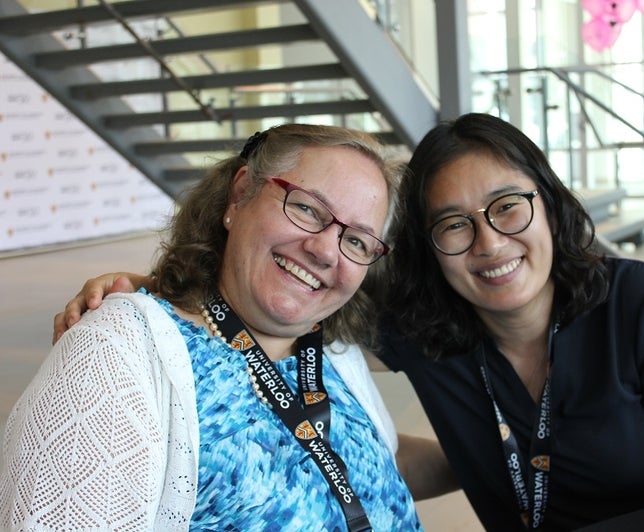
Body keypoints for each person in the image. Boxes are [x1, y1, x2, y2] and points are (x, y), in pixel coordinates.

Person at [50, 113, 644, 531]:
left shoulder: (632, 300)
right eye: (453, 224)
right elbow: (292, 294)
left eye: (508, 206)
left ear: (548, 202)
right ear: (428, 246)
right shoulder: (424, 323)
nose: (489, 243)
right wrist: (157, 293)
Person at [0, 123, 431, 531]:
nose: (324, 250)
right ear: (240, 194)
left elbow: (368, 470)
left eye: (356, 240)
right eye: (306, 208)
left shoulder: (334, 352)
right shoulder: (115, 353)